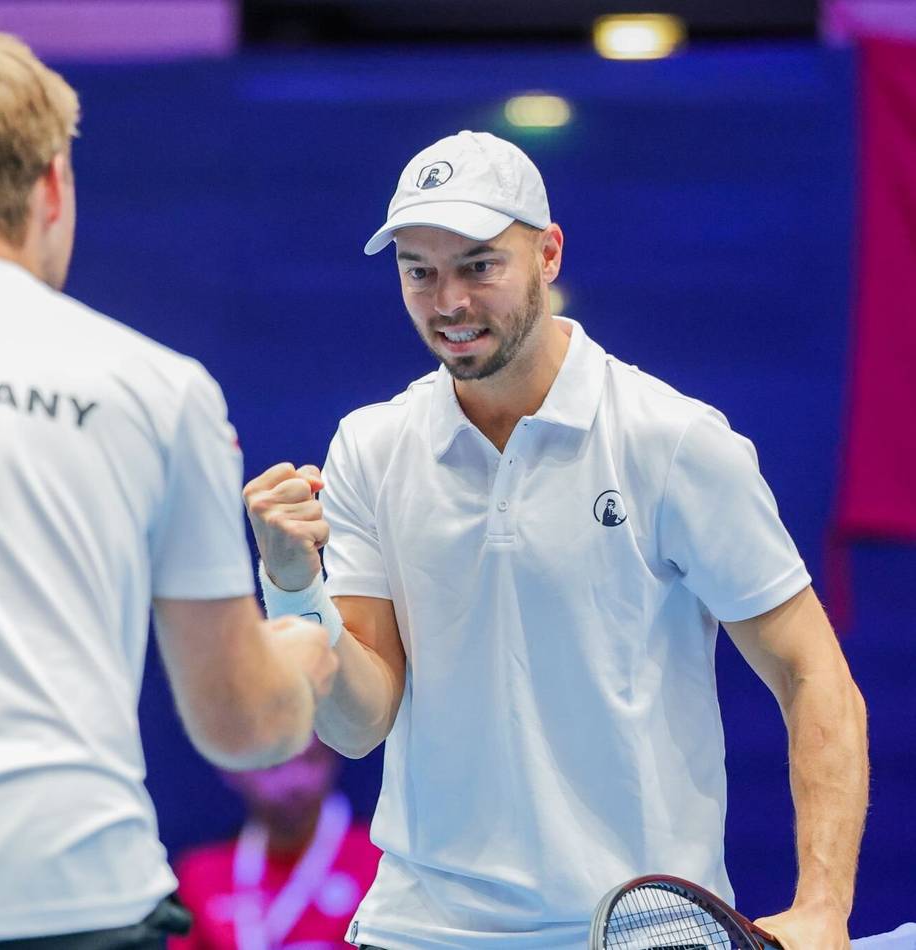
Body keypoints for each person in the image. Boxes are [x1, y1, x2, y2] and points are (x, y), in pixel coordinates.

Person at [244, 130, 869, 950]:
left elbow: (811, 670)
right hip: (420, 932)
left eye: (478, 265)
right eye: (418, 272)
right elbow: (357, 724)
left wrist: (824, 906)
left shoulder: (671, 439)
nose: (448, 303)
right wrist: (295, 586)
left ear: (548, 253)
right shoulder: (370, 445)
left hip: (648, 936)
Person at [0, 30, 337, 949]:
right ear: (53, 184)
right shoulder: (155, 388)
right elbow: (244, 726)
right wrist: (308, 639)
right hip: (68, 898)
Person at [170, 737, 381, 949]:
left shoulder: (379, 862)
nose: (295, 781)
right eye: (274, 765)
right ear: (232, 769)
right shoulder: (200, 876)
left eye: (311, 759)